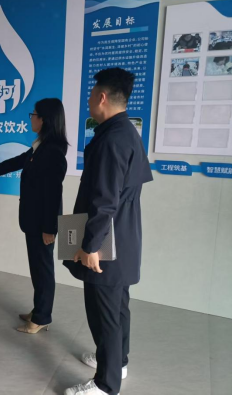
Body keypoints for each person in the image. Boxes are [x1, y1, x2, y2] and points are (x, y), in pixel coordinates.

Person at [63, 68, 153, 395]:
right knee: (118, 305)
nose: (88, 101)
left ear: (102, 97)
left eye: (91, 95)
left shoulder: (112, 139)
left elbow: (104, 200)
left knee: (105, 313)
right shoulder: (125, 131)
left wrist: (90, 246)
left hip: (107, 240)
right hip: (122, 234)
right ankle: (118, 362)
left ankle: (105, 384)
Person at [0, 99, 68, 334]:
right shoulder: (41, 146)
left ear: (44, 119)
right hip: (33, 219)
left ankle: (42, 317)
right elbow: (18, 161)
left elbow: (54, 194)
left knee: (43, 269)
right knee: (37, 267)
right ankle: (39, 310)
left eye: (33, 114)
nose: (31, 118)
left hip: (42, 223)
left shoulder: (54, 151)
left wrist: (50, 228)